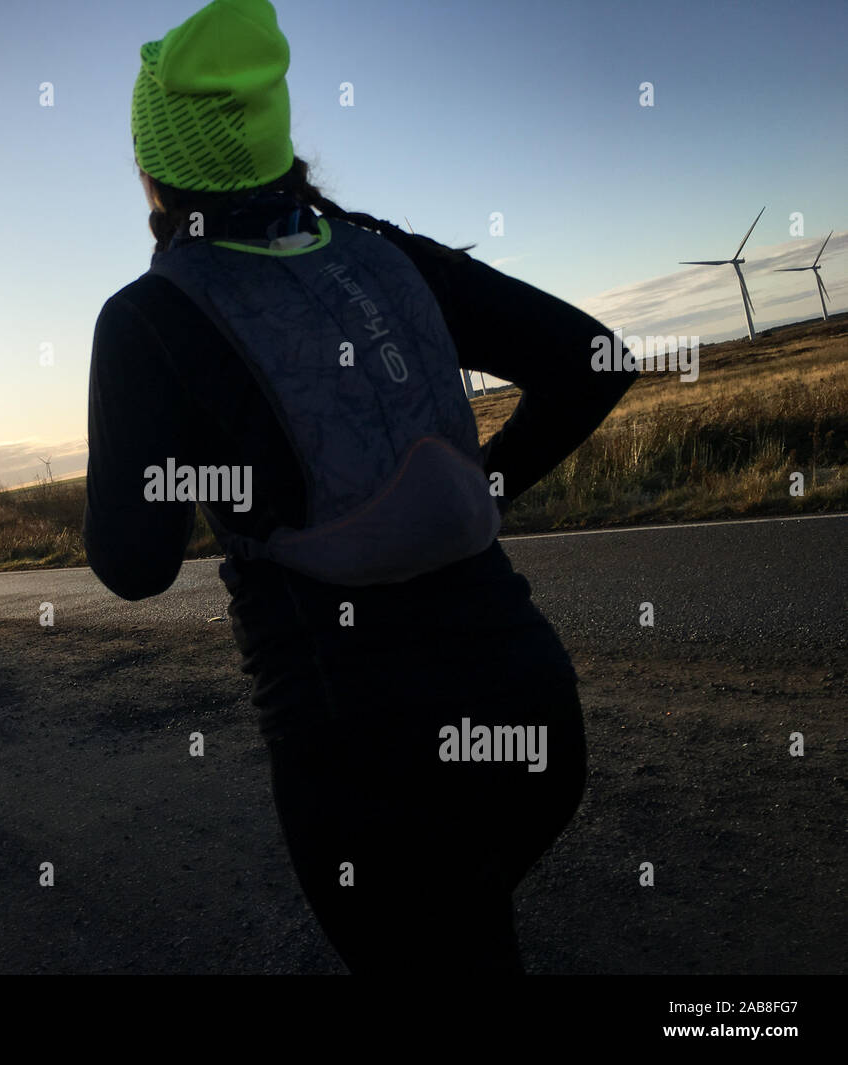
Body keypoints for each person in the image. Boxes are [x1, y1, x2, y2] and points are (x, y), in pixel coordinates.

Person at [83, 0, 637, 973]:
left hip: (368, 761)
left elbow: (133, 566)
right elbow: (594, 359)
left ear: (153, 170)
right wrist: (485, 487)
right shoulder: (383, 254)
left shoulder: (148, 317)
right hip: (533, 715)